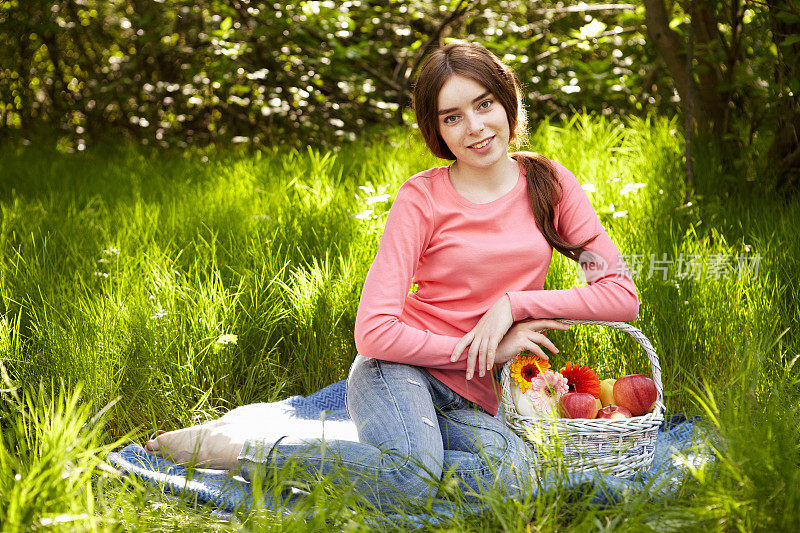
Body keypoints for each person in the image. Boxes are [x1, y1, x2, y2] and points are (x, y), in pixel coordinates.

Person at [144, 41, 639, 509]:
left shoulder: (550, 184)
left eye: (484, 104)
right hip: (396, 369)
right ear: (437, 131)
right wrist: (475, 349)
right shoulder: (420, 199)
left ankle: (387, 461)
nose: (476, 127)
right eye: (453, 117)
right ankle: (240, 450)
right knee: (412, 480)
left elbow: (620, 293)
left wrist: (515, 304)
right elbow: (375, 331)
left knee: (517, 478)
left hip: (473, 392)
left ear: (508, 101)